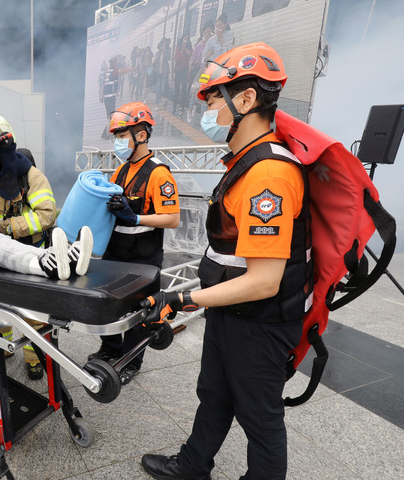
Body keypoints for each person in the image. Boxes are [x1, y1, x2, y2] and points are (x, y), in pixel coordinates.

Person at [140, 43, 310, 480]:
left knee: (260, 418)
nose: (208, 109)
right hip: (232, 312)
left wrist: (185, 297)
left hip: (261, 322)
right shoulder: (244, 163)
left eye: (213, 98)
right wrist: (204, 300)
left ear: (246, 99)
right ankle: (193, 467)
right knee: (213, 394)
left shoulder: (269, 174)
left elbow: (265, 281)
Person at [88, 102, 180, 385]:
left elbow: (173, 218)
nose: (117, 142)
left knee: (140, 310)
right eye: (115, 136)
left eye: (121, 135)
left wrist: (137, 217)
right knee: (110, 303)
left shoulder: (158, 173)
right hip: (116, 252)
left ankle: (131, 360)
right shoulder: (121, 171)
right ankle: (111, 348)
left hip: (143, 256)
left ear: (140, 135)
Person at [0, 114, 57, 380]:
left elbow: (46, 215)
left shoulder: (31, 177)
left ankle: (34, 358)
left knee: (31, 311)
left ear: (3, 154)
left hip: (28, 255)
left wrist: (6, 226)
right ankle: (3, 349)